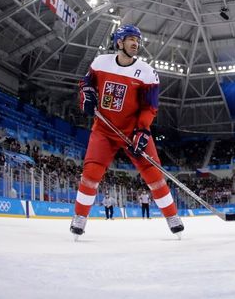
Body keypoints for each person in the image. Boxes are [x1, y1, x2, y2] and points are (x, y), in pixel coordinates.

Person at [69, 24, 184, 237]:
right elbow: (86, 84)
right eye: (131, 39)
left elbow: (150, 107)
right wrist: (85, 94)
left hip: (133, 132)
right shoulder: (100, 62)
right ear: (119, 42)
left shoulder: (147, 73)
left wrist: (142, 130)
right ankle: (80, 217)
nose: (135, 43)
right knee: (91, 173)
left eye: (138, 40)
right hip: (104, 130)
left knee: (154, 175)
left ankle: (171, 216)